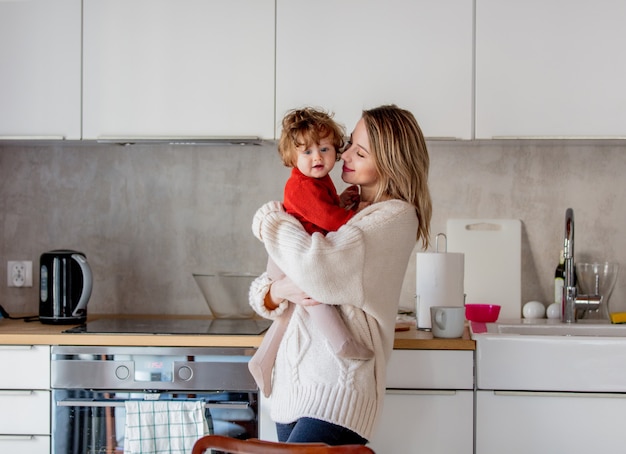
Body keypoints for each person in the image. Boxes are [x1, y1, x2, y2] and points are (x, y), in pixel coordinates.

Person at [249, 104, 432, 445]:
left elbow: (315, 268)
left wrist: (269, 221)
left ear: (390, 164)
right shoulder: (345, 207)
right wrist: (279, 291)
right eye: (349, 143)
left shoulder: (393, 217)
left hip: (338, 388)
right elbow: (267, 290)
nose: (343, 153)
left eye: (359, 152)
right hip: (292, 387)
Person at [248, 107, 374, 399]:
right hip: (288, 256)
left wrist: (340, 201)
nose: (317, 157)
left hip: (289, 253)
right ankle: (341, 341)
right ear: (292, 158)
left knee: (290, 311)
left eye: (325, 148)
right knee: (313, 297)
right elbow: (330, 221)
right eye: (307, 152)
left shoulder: (317, 179)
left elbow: (320, 213)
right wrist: (358, 214)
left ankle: (263, 361)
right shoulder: (303, 185)